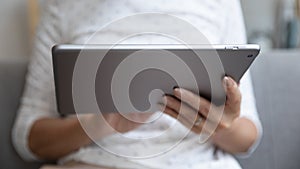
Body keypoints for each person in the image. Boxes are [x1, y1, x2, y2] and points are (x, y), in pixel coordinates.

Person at [12, 0, 262, 169]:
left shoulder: (220, 4)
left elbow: (248, 137)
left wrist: (216, 125)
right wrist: (97, 125)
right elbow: (29, 139)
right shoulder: (63, 6)